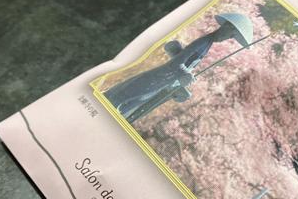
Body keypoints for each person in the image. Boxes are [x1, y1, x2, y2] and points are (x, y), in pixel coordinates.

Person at [104, 13, 253, 121]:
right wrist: (186, 74)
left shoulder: (207, 44)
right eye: (231, 34)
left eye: (232, 37)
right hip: (157, 79)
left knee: (127, 107)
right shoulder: (203, 42)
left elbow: (181, 60)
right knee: (120, 100)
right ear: (226, 26)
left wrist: (183, 82)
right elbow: (176, 63)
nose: (228, 38)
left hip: (161, 83)